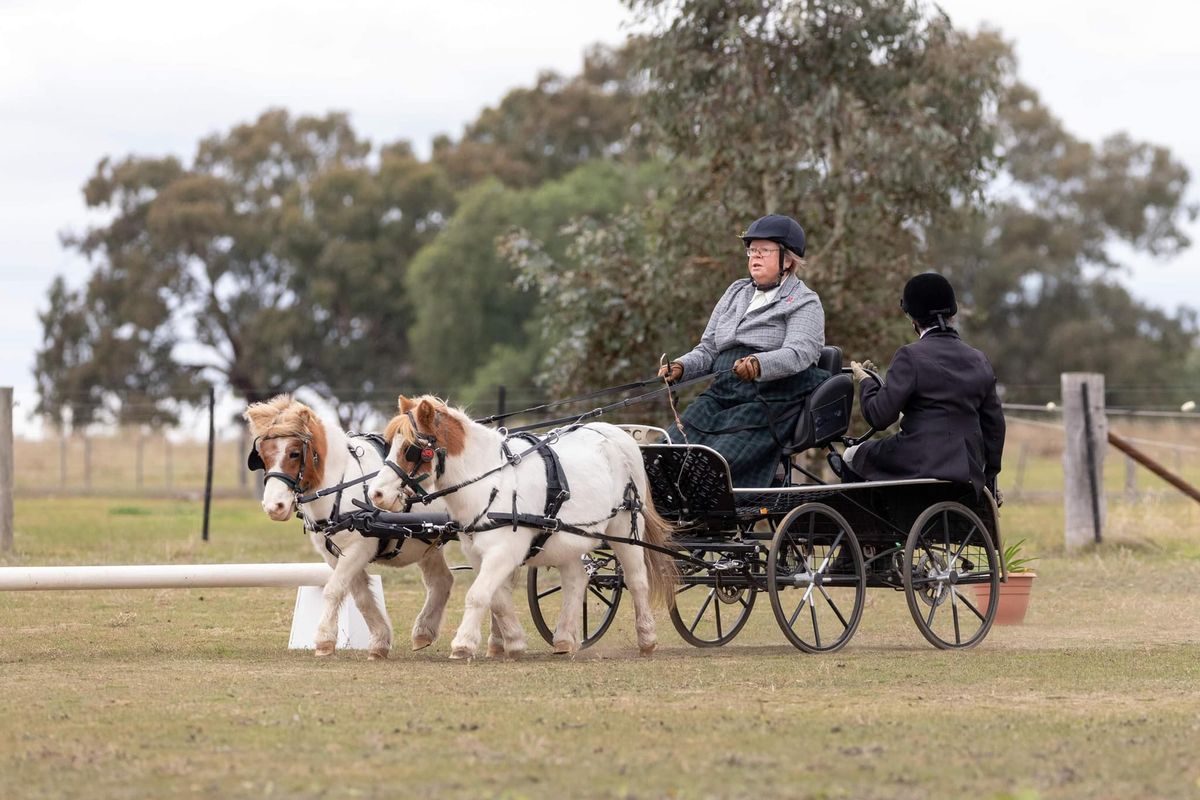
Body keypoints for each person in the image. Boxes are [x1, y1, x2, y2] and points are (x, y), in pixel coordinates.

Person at [656, 214, 828, 487]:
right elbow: (709, 348)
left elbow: (800, 353)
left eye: (764, 251)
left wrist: (759, 364)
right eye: (751, 250)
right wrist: (683, 366)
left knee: (713, 462)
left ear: (787, 259)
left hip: (770, 396)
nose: (754, 257)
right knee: (666, 450)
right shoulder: (736, 292)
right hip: (723, 390)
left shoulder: (805, 302)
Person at [845, 272, 1006, 497]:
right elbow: (995, 427)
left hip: (918, 460)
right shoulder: (979, 359)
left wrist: (865, 383)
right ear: (953, 314)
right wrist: (988, 476)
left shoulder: (910, 356)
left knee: (851, 455)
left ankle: (871, 528)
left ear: (913, 319)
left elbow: (880, 417)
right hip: (968, 469)